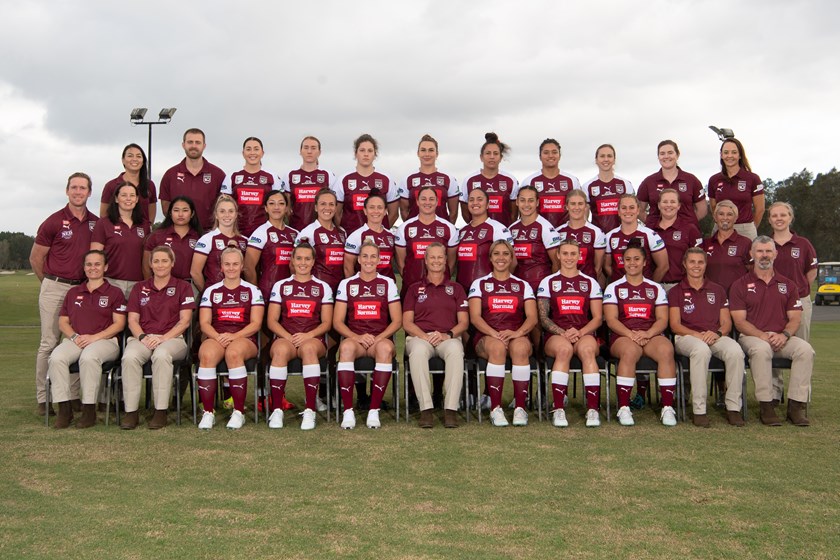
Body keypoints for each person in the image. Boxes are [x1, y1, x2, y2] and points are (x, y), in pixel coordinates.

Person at [30, 172, 99, 416]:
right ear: (67, 191)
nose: (78, 192)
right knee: (49, 343)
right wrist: (49, 283)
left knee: (78, 342)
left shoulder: (95, 223)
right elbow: (36, 257)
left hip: (82, 289)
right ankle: (43, 398)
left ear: (90, 192)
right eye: (74, 188)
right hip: (55, 286)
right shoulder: (54, 221)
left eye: (83, 188)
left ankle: (72, 396)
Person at [730, 236, 814, 426]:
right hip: (752, 336)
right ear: (752, 254)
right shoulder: (740, 285)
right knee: (762, 350)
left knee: (805, 350)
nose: (764, 255)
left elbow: (795, 319)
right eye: (760, 251)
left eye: (768, 251)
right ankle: (766, 405)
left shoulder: (788, 285)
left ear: (775, 254)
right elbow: (739, 321)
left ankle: (796, 406)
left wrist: (784, 335)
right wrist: (761, 335)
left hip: (781, 336)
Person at [48, 250, 127, 429]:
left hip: (105, 341)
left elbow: (119, 324)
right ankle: (64, 409)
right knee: (56, 358)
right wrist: (75, 337)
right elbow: (63, 322)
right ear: (84, 268)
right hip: (77, 339)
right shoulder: (73, 292)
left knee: (89, 357)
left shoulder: (115, 293)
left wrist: (94, 337)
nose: (93, 268)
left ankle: (89, 410)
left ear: (105, 267)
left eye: (97, 264)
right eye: (89, 264)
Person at [668, 248, 746, 427]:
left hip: (714, 336)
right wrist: (696, 335)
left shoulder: (717, 290)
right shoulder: (675, 291)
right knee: (701, 350)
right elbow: (675, 325)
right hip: (686, 337)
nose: (696, 266)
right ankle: (699, 409)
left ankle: (733, 407)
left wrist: (717, 333)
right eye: (692, 262)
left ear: (705, 265)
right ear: (685, 264)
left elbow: (726, 322)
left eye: (700, 262)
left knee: (735, 351)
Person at [603, 242, 677, 426]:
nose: (632, 263)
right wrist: (631, 334)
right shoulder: (614, 288)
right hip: (623, 336)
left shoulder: (655, 288)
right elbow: (611, 320)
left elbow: (662, 319)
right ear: (622, 262)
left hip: (650, 334)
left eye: (637, 259)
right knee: (629, 351)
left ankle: (667, 407)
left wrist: (648, 333)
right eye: (627, 259)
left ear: (645, 262)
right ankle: (624, 407)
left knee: (666, 350)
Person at [120, 246, 195, 429]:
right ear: (150, 264)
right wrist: (144, 337)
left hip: (173, 339)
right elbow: (132, 320)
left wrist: (163, 338)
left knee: (161, 355)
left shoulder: (183, 287)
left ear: (172, 263)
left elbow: (184, 321)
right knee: (129, 357)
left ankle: (160, 411)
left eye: (164, 261)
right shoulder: (140, 288)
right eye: (156, 261)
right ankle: (131, 412)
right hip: (144, 338)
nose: (160, 265)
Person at [468, 240, 538, 427]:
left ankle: (520, 408)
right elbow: (475, 317)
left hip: (515, 334)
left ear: (511, 257)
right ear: (490, 258)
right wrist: (494, 333)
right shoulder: (480, 283)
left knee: (522, 348)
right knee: (498, 348)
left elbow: (532, 317)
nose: (501, 257)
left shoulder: (522, 285)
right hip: (487, 335)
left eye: (506, 254)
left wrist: (517, 333)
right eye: (497, 253)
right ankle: (496, 408)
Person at [333, 241, 402, 429]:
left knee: (387, 348)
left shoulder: (387, 283)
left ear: (379, 260)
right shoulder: (347, 284)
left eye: (373, 256)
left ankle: (374, 410)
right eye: (365, 256)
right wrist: (356, 337)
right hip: (356, 339)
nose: (368, 260)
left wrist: (379, 337)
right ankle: (348, 411)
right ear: (358, 258)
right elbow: (337, 321)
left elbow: (397, 320)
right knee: (345, 347)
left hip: (378, 339)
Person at [266, 243, 334, 430]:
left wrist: (308, 335)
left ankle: (310, 410)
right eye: (299, 258)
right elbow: (272, 321)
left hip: (313, 338)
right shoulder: (281, 286)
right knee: (279, 350)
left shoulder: (322, 287)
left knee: (310, 348)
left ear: (313, 262)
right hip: (285, 337)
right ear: (292, 261)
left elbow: (327, 322)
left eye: (307, 259)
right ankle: (277, 409)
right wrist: (288, 336)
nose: (303, 263)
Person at [195, 247, 265, 430]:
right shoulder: (211, 291)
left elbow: (256, 324)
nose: (231, 268)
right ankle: (208, 413)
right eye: (227, 264)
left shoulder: (253, 290)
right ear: (221, 267)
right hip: (216, 335)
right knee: (207, 355)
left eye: (235, 264)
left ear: (242, 266)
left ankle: (238, 412)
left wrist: (233, 336)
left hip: (244, 337)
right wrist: (219, 337)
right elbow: (204, 323)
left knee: (234, 353)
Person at [537, 239, 604, 427]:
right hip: (557, 335)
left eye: (573, 254)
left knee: (588, 350)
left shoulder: (590, 282)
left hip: (584, 333)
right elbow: (543, 318)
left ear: (579, 256)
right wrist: (564, 333)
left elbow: (598, 318)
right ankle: (558, 409)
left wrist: (580, 332)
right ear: (558, 255)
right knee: (564, 350)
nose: (569, 257)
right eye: (565, 253)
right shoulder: (548, 282)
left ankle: (592, 410)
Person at [403, 242, 469, 428]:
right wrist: (425, 336)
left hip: (446, 337)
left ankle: (450, 410)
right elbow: (407, 322)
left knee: (456, 350)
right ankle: (426, 410)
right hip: (420, 337)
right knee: (417, 353)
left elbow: (464, 322)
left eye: (440, 257)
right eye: (432, 257)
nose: (436, 261)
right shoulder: (414, 289)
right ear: (425, 260)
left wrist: (447, 335)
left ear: (446, 260)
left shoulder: (456, 289)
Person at [768, 201, 818, 404]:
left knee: (803, 348)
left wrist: (796, 293)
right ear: (769, 219)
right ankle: (774, 393)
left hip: (800, 302)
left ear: (790, 217)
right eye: (774, 215)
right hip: (771, 303)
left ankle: (799, 397)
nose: (779, 218)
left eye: (783, 215)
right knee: (774, 346)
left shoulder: (803, 244)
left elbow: (811, 272)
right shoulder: (764, 243)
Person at [90, 181, 152, 298]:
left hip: (138, 284)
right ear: (117, 199)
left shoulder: (145, 225)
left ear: (137, 199)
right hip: (111, 282)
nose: (128, 199)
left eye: (132, 195)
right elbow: (95, 255)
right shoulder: (104, 223)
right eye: (124, 195)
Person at [394, 186, 458, 298]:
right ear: (417, 202)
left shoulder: (449, 228)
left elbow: (451, 263)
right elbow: (400, 263)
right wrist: (411, 279)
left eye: (431, 199)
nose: (427, 202)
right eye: (423, 199)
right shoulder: (404, 228)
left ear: (437, 202)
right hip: (411, 288)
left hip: (440, 289)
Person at [159, 128, 227, 232]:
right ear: (183, 145)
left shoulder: (218, 174)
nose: (194, 146)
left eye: (198, 142)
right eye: (190, 142)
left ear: (204, 146)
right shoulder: (170, 175)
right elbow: (165, 208)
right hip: (179, 234)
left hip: (209, 233)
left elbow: (225, 205)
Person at [334, 134, 399, 233]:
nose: (366, 154)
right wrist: (345, 233)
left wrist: (380, 232)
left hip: (379, 241)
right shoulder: (344, 179)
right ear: (356, 153)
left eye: (370, 151)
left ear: (375, 154)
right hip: (350, 238)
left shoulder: (386, 179)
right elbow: (336, 213)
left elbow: (394, 213)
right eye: (362, 150)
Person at [245, 190, 299, 302]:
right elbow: (248, 268)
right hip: (267, 292)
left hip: (291, 293)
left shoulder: (295, 234)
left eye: (281, 203)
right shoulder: (260, 233)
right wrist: (256, 293)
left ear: (286, 208)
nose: (276, 207)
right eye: (271, 203)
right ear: (265, 208)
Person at [637, 140, 706, 228]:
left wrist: (689, 223)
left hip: (686, 236)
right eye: (662, 153)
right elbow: (639, 210)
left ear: (677, 155)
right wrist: (652, 224)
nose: (666, 156)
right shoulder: (648, 182)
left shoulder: (691, 180)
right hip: (657, 235)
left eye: (670, 153)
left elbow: (702, 210)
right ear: (658, 157)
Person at [456, 187, 513, 293]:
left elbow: (512, 261)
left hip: (488, 290)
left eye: (479, 199)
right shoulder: (461, 232)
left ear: (487, 205)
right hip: (462, 290)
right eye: (471, 200)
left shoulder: (498, 229)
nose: (475, 203)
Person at [603, 194, 668, 283]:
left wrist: (650, 285)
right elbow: (607, 266)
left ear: (638, 211)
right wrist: (620, 282)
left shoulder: (650, 235)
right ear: (618, 211)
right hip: (619, 290)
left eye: (632, 207)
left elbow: (663, 266)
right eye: (624, 208)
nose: (628, 211)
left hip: (645, 291)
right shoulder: (609, 236)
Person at [708, 138, 764, 239]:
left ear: (740, 155)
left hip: (745, 229)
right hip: (721, 229)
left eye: (734, 152)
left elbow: (760, 209)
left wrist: (751, 227)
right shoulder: (714, 180)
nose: (729, 156)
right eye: (726, 152)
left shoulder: (753, 178)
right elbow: (713, 207)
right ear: (721, 155)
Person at [222, 137, 279, 237]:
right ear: (243, 153)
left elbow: (279, 207)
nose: (252, 153)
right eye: (248, 149)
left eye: (256, 149)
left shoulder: (272, 177)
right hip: (236, 232)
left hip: (264, 233)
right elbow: (223, 206)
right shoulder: (232, 176)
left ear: (262, 153)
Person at [191, 195, 248, 293]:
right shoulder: (207, 239)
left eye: (231, 211)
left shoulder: (245, 241)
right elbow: (195, 272)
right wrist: (208, 294)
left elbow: (248, 270)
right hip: (215, 297)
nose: (227, 215)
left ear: (236, 214)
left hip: (239, 297)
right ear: (216, 215)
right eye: (222, 211)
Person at [509, 185, 562, 292]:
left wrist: (547, 289)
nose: (526, 205)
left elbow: (557, 263)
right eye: (523, 200)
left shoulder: (545, 227)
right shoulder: (511, 229)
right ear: (517, 202)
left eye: (531, 200)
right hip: (517, 288)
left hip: (539, 288)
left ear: (537, 203)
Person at [460, 132, 520, 226]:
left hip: (503, 236)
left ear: (501, 158)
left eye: (495, 153)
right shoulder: (470, 180)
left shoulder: (510, 180)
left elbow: (514, 215)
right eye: (488, 153)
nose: (492, 157)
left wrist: (503, 230)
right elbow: (465, 213)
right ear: (481, 157)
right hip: (478, 234)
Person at [295, 188, 348, 294]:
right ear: (315, 207)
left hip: (340, 289)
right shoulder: (308, 232)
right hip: (317, 290)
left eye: (331, 204)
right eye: (323, 204)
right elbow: (294, 265)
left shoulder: (342, 232)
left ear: (336, 207)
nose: (327, 208)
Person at [520, 138, 581, 227]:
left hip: (566, 235)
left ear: (559, 155)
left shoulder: (572, 180)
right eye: (546, 152)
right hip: (538, 234)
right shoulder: (529, 181)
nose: (550, 155)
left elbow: (582, 207)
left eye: (554, 152)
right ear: (540, 156)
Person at [650, 188, 704, 290]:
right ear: (658, 205)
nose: (669, 205)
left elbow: (700, 259)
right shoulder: (650, 230)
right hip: (655, 286)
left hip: (681, 286)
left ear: (679, 206)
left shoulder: (690, 229)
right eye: (665, 201)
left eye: (673, 202)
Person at [399, 134, 459, 223]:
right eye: (423, 150)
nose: (427, 154)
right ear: (418, 153)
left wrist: (446, 230)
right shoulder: (407, 179)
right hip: (415, 233)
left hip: (441, 233)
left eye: (431, 150)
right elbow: (404, 211)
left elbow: (453, 212)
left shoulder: (449, 178)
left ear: (437, 153)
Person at [282, 136, 337, 232]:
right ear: (300, 151)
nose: (309, 151)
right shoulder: (290, 175)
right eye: (306, 148)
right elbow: (287, 207)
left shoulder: (328, 175)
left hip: (322, 230)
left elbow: (333, 204)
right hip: (296, 229)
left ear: (319, 152)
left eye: (313, 148)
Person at [143, 195, 202, 281]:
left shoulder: (200, 237)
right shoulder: (157, 236)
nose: (180, 214)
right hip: (162, 285)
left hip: (191, 287)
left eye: (185, 210)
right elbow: (146, 267)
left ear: (192, 213)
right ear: (170, 213)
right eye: (176, 210)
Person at [556, 189, 607, 283]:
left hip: (588, 284)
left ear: (586, 206)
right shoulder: (557, 232)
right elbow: (556, 264)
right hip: (563, 283)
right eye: (573, 204)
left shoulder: (596, 232)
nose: (576, 207)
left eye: (580, 204)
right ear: (567, 206)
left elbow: (598, 268)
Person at [583, 144, 635, 234]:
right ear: (596, 160)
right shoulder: (587, 186)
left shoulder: (625, 184)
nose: (606, 159)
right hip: (598, 237)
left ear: (614, 160)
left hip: (622, 235)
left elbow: (633, 212)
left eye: (609, 156)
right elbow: (584, 217)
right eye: (602, 156)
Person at [344, 191, 396, 280]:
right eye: (371, 207)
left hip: (387, 288)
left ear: (385, 211)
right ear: (365, 210)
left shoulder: (391, 235)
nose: (376, 211)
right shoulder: (356, 236)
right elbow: (348, 268)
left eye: (380, 207)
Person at [702, 200, 752, 292]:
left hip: (737, 299)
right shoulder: (705, 244)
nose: (725, 218)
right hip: (711, 298)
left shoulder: (746, 243)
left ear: (736, 218)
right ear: (715, 217)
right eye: (721, 214)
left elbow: (752, 270)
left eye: (729, 214)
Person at [100, 144, 157, 223]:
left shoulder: (150, 185)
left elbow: (151, 214)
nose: (134, 159)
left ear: (143, 161)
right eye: (130, 156)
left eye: (138, 156)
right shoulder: (111, 186)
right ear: (123, 160)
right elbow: (103, 215)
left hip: (142, 233)